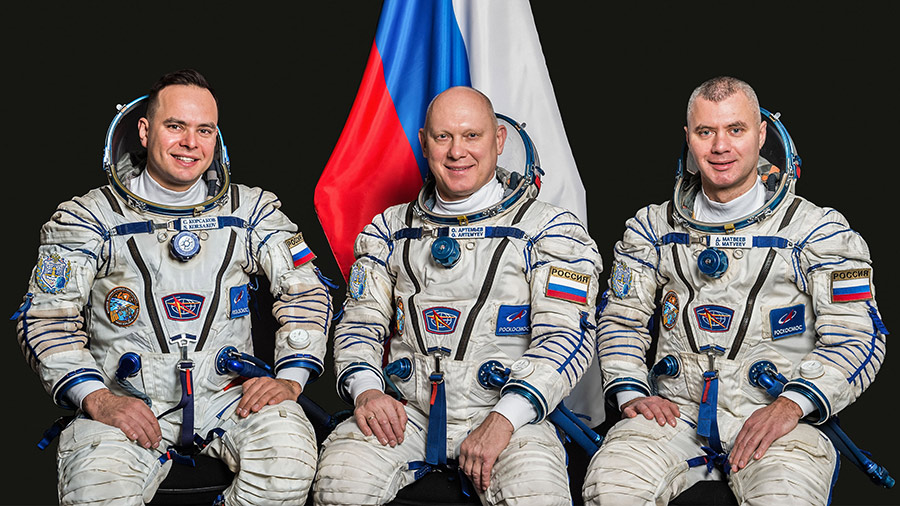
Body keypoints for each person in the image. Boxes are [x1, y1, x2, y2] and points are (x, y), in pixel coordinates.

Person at [12, 69, 332, 505]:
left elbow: (307, 292)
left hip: (228, 398)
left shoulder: (252, 211)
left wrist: (291, 377)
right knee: (97, 489)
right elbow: (46, 319)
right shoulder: (87, 219)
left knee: (289, 459)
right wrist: (98, 399)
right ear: (144, 131)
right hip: (128, 401)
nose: (190, 143)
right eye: (175, 126)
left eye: (205, 130)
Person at [582, 76, 888, 505]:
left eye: (736, 130)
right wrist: (632, 391)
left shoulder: (817, 233)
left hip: (774, 418)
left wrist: (793, 405)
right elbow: (620, 319)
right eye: (706, 132)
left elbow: (859, 336)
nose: (720, 146)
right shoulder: (653, 229)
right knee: (609, 487)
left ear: (761, 135)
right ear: (689, 139)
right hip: (675, 414)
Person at [312, 86, 603, 505]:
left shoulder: (551, 231)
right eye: (443, 136)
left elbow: (566, 337)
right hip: (408, 412)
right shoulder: (388, 230)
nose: (456, 152)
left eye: (472, 136)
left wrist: (507, 416)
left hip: (508, 413)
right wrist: (367, 391)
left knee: (536, 494)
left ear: (499, 141)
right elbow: (360, 323)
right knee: (339, 484)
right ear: (423, 142)